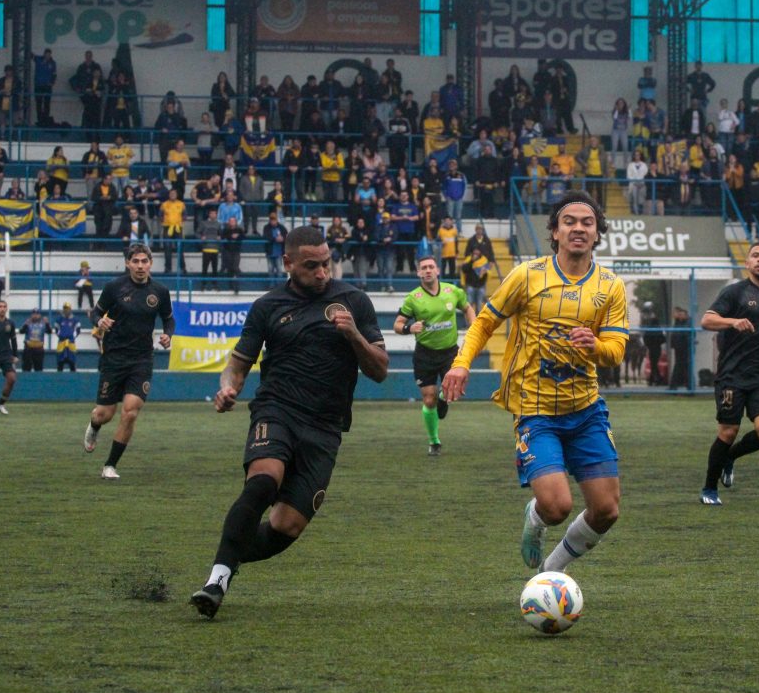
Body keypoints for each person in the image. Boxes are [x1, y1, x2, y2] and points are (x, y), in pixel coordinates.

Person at [189, 226, 387, 619]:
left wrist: (354, 338)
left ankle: (230, 551)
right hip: (276, 410)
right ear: (288, 263)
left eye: (326, 263)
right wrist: (227, 389)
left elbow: (379, 369)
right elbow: (237, 366)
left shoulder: (353, 301)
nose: (322, 273)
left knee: (286, 527)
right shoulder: (267, 307)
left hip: (326, 427)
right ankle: (217, 581)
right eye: (311, 266)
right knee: (263, 481)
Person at [441, 191, 629, 574]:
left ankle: (551, 571)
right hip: (536, 411)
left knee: (607, 510)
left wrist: (595, 345)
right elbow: (485, 322)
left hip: (586, 411)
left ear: (597, 234)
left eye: (587, 222)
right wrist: (461, 364)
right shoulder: (527, 275)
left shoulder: (610, 286)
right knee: (557, 507)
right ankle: (537, 518)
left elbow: (616, 351)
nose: (578, 228)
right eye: (569, 222)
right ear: (555, 232)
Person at [699, 242, 759, 506]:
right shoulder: (734, 293)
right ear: (748, 263)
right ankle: (709, 488)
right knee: (728, 431)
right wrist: (732, 321)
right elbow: (707, 320)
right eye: (755, 256)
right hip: (732, 375)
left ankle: (730, 457)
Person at [83, 244, 175, 480]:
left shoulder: (160, 292)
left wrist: (168, 335)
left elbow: (169, 319)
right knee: (105, 413)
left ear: (151, 263)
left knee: (131, 412)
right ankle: (94, 426)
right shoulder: (115, 287)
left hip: (142, 360)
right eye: (136, 261)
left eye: (145, 261)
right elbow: (95, 312)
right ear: (128, 263)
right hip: (113, 358)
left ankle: (110, 465)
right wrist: (99, 322)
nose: (141, 266)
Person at [393, 256, 477, 456]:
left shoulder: (453, 291)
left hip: (449, 352)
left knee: (449, 391)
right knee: (428, 399)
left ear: (438, 270)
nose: (428, 270)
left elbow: (468, 309)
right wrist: (408, 328)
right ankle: (434, 441)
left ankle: (443, 398)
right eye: (424, 268)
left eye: (431, 266)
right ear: (419, 273)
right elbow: (397, 324)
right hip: (425, 354)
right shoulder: (413, 298)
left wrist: (474, 330)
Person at [19, 308, 51, 372]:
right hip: (29, 349)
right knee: (26, 368)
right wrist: (25, 324)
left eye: (37, 314)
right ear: (31, 315)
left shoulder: (43, 324)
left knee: (38, 369)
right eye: (34, 314)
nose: (35, 316)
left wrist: (47, 323)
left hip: (39, 349)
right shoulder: (28, 323)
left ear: (40, 315)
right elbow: (21, 331)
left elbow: (49, 332)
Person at [55, 302, 82, 372]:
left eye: (68, 309)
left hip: (71, 343)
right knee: (60, 363)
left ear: (70, 309)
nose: (66, 310)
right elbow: (56, 330)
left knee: (72, 363)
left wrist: (72, 337)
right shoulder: (59, 319)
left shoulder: (75, 320)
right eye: (65, 309)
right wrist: (62, 336)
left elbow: (78, 331)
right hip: (61, 343)